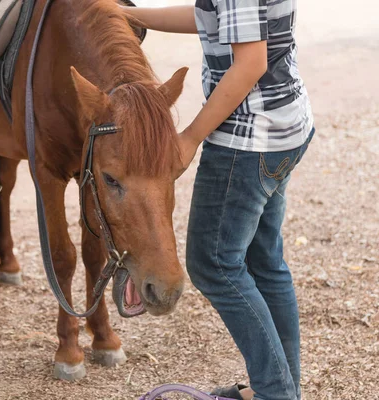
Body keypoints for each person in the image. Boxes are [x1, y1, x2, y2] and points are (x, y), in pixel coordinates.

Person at [121, 2, 314, 400]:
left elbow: (250, 64)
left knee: (213, 264)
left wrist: (190, 136)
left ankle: (276, 394)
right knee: (265, 263)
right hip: (285, 126)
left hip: (246, 141)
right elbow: (211, 14)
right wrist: (133, 17)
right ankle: (283, 389)